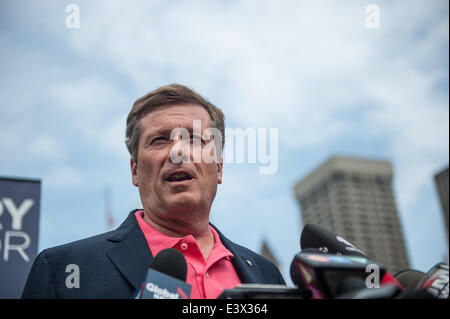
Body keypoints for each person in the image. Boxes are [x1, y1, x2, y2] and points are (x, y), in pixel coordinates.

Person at [21, 84, 285, 299]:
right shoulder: (61, 271)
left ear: (218, 168)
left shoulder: (267, 274)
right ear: (135, 170)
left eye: (193, 139)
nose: (178, 151)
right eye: (159, 140)